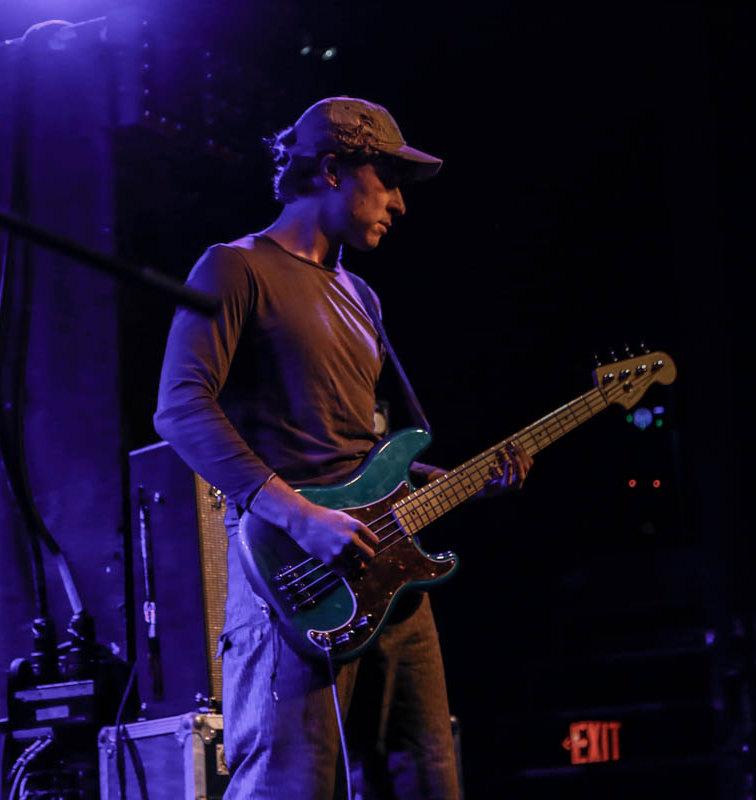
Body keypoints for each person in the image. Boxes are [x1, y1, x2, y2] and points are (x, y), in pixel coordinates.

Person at [154, 96, 531, 800]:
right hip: (292, 574)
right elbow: (179, 407)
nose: (399, 204)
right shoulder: (234, 268)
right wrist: (301, 516)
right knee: (288, 785)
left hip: (391, 573)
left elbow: (364, 448)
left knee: (425, 779)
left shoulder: (362, 297)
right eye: (388, 181)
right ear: (332, 170)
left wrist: (456, 481)